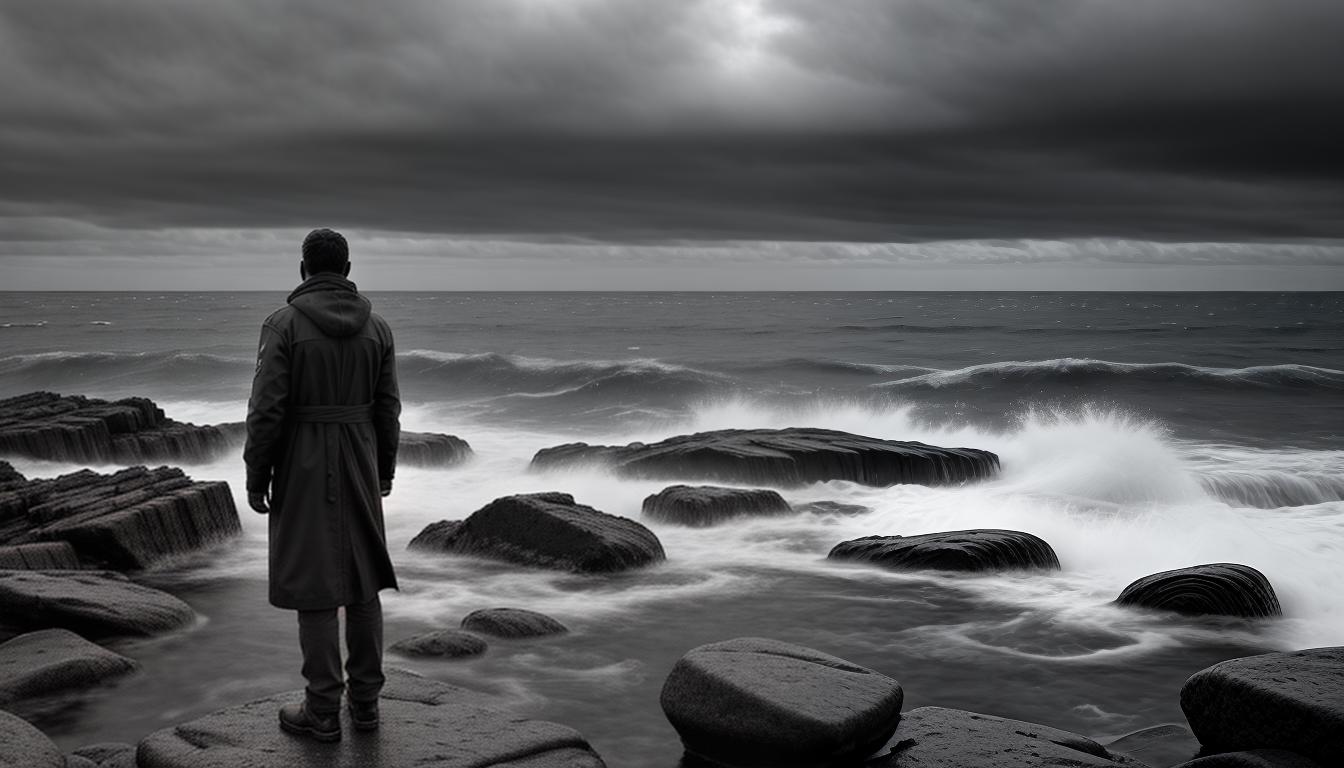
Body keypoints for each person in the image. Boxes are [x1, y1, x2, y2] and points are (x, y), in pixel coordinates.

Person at [244, 228, 401, 742]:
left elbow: (266, 410)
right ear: (348, 268)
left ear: (303, 268)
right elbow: (388, 409)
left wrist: (256, 474)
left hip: (303, 460)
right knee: (362, 584)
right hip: (358, 453)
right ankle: (367, 706)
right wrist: (384, 469)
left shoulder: (282, 325)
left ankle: (322, 711)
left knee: (315, 587)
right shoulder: (377, 328)